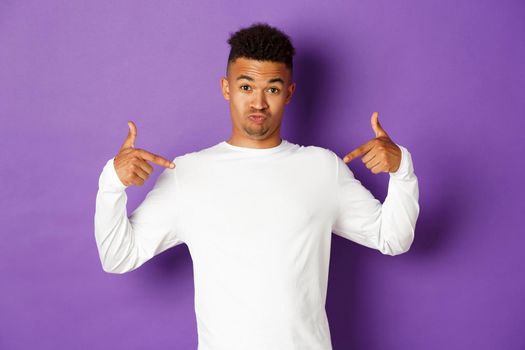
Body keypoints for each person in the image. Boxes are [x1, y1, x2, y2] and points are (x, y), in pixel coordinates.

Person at [94, 22, 420, 350]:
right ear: (226, 88)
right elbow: (118, 256)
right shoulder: (187, 175)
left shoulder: (322, 168)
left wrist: (401, 169)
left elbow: (391, 238)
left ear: (289, 93)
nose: (259, 103)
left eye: (273, 89)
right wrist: (113, 183)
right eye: (247, 87)